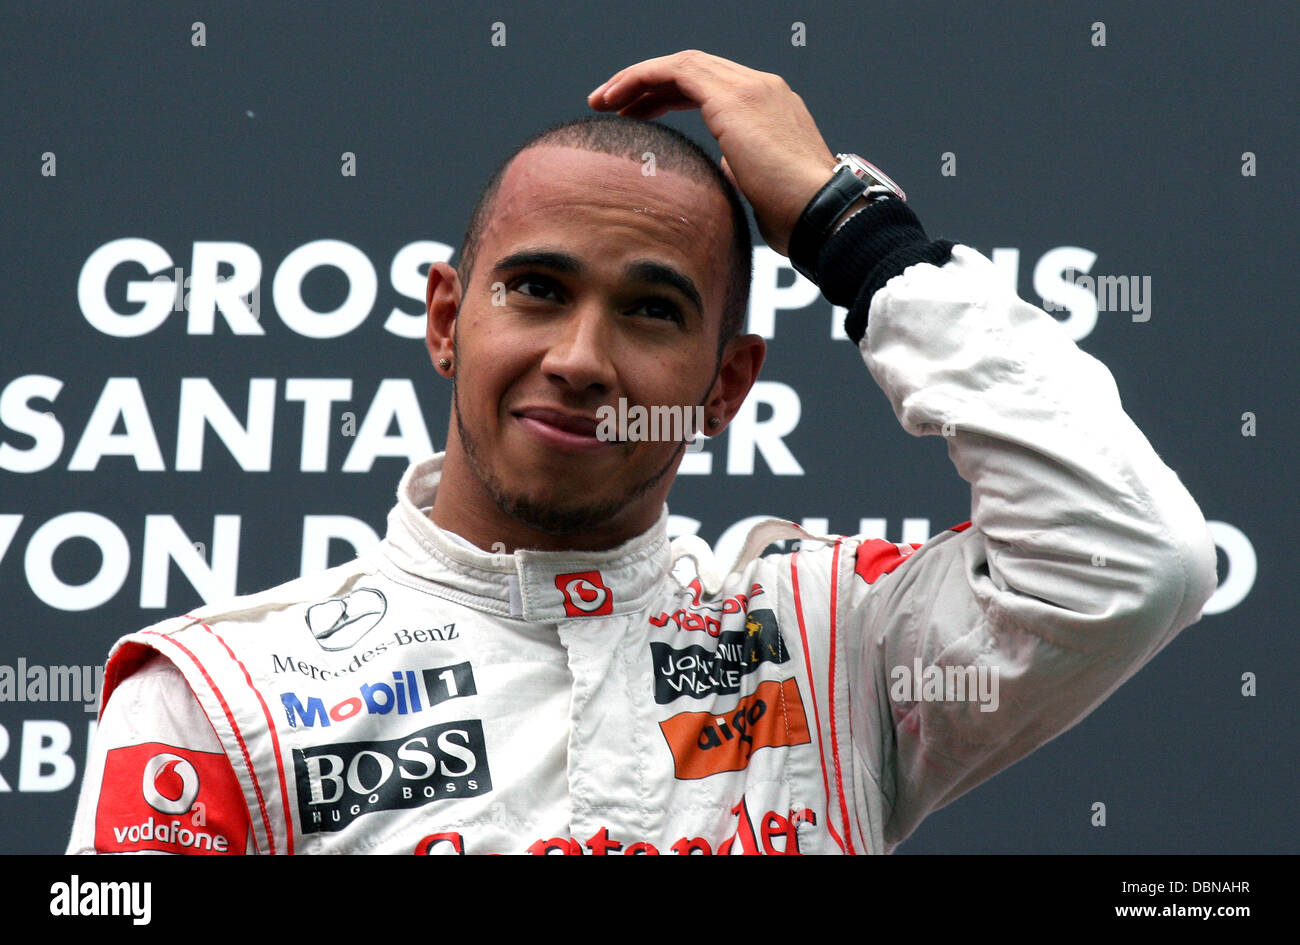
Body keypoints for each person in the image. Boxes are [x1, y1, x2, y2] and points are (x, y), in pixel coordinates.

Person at [67, 50, 1216, 855]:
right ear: (445, 319)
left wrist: (849, 228)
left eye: (653, 311)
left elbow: (1136, 562)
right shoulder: (212, 699)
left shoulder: (825, 641)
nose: (580, 358)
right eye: (535, 289)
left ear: (726, 386)